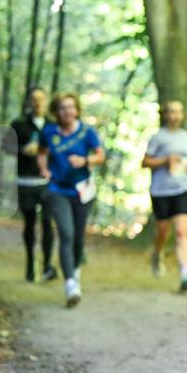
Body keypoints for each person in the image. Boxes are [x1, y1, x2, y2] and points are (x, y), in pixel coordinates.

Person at [37, 93, 105, 307]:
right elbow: (41, 152)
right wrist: (44, 170)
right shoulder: (49, 132)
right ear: (56, 112)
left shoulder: (87, 132)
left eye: (70, 107)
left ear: (77, 110)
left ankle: (75, 272)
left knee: (77, 237)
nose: (67, 112)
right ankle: (70, 285)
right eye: (62, 108)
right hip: (58, 189)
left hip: (82, 191)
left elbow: (100, 155)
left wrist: (85, 160)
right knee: (65, 233)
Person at [141, 99, 187, 293]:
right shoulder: (158, 137)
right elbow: (145, 162)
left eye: (178, 112)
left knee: (182, 232)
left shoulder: (186, 137)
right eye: (171, 112)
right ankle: (158, 253)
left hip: (182, 188)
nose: (175, 115)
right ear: (164, 114)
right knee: (163, 232)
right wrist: (165, 160)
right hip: (161, 191)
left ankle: (185, 274)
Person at [4, 86, 57, 282]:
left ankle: (47, 267)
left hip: (48, 183)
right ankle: (30, 266)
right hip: (25, 182)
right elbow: (6, 146)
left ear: (46, 101)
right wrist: (23, 150)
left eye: (41, 99)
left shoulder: (53, 125)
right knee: (30, 224)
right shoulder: (18, 125)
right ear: (29, 102)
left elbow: (61, 149)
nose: (38, 103)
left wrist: (46, 152)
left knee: (48, 223)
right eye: (34, 99)